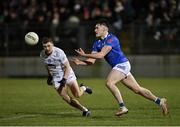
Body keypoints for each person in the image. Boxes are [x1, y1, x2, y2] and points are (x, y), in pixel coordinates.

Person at [72, 19, 169, 116]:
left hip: (122, 64)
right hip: (119, 67)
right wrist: (80, 62)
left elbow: (101, 55)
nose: (95, 30)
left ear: (105, 28)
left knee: (109, 83)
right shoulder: (97, 43)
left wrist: (84, 54)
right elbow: (91, 61)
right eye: (95, 28)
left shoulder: (111, 39)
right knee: (137, 89)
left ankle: (122, 107)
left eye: (97, 28)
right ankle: (160, 101)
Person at [40, 37, 92, 117]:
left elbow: (67, 67)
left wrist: (64, 79)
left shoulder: (59, 52)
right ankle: (84, 110)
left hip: (67, 74)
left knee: (77, 95)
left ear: (52, 45)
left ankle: (83, 87)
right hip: (56, 77)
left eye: (48, 46)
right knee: (65, 98)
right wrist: (50, 76)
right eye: (44, 46)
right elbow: (48, 65)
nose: (47, 48)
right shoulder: (42, 54)